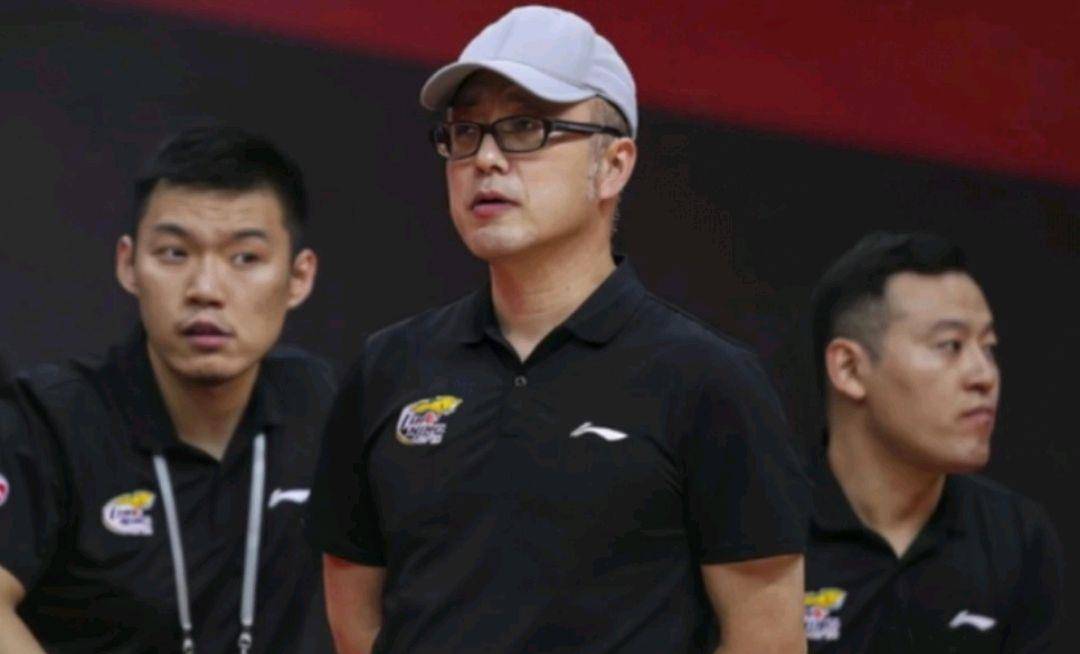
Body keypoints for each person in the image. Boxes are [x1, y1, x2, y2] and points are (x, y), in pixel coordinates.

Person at [309, 6, 809, 653]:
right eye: (465, 132)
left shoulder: (706, 379)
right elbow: (355, 616)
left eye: (525, 127)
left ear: (614, 165)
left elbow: (766, 635)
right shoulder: (389, 367)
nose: (486, 159)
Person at [0, 126, 335, 653]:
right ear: (128, 265)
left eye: (245, 258)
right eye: (175, 253)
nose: (206, 289)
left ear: (299, 277)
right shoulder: (51, 419)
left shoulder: (321, 405)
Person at [803, 232, 1064, 652]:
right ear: (849, 368)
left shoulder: (1016, 538)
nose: (984, 376)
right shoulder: (762, 532)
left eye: (988, 347)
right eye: (950, 346)